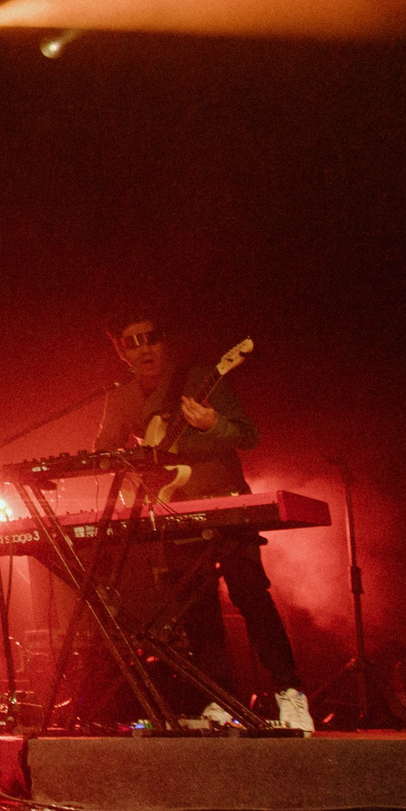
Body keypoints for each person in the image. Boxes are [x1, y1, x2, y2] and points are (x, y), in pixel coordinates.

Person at [95, 313, 311, 733]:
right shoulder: (120, 397)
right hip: (174, 507)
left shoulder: (200, 378)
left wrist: (213, 424)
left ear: (163, 342)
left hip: (225, 500)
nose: (144, 348)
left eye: (151, 338)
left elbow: (248, 435)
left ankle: (290, 692)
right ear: (124, 353)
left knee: (251, 594)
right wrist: (139, 468)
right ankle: (219, 697)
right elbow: (104, 451)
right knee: (197, 609)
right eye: (133, 342)